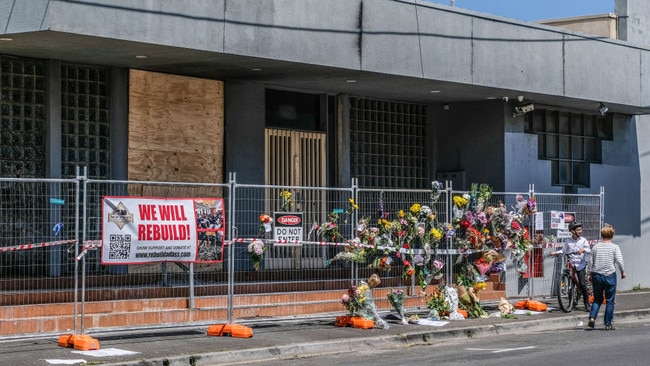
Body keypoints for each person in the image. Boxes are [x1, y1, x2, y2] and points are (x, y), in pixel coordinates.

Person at [588, 224, 626, 330]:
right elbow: (619, 260)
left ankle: (592, 318)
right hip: (610, 275)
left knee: (597, 298)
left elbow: (591, 262)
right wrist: (622, 271)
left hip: (597, 275)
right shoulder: (615, 247)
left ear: (602, 235)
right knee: (610, 300)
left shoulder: (595, 247)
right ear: (612, 235)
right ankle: (608, 324)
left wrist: (590, 274)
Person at [551, 221, 592, 312]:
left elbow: (589, 250)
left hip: (580, 264)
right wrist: (556, 253)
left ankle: (587, 303)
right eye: (578, 230)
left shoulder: (583, 240)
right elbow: (563, 251)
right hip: (572, 264)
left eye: (581, 229)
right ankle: (571, 302)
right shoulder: (568, 241)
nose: (580, 231)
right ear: (572, 231)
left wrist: (583, 250)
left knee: (582, 283)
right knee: (571, 284)